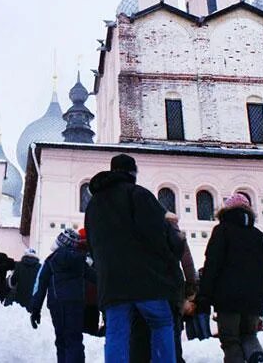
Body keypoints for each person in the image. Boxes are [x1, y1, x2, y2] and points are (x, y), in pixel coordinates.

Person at [84, 154, 182, 363]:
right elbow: (159, 235)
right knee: (162, 323)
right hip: (149, 281)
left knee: (116, 333)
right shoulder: (139, 195)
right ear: (132, 172)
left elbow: (92, 246)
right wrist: (174, 251)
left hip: (112, 284)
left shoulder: (93, 206)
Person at [196, 193, 263, 363]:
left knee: (230, 340)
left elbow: (213, 264)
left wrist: (204, 296)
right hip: (254, 300)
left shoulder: (222, 230)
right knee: (249, 335)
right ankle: (256, 355)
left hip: (228, 300)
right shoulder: (258, 235)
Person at [131, 212, 196, 363]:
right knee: (174, 325)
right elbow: (187, 262)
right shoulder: (178, 237)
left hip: (151, 285)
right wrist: (191, 285)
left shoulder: (149, 233)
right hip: (174, 286)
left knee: (148, 325)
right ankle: (175, 357)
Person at [29, 229, 97, 363]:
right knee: (75, 339)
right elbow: (96, 278)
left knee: (61, 339)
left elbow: (41, 285)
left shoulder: (51, 260)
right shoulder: (80, 261)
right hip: (75, 304)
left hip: (56, 304)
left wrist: (35, 309)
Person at [184, 268, 211, 341]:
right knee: (201, 334)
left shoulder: (197, 282)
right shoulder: (198, 281)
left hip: (198, 310)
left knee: (201, 334)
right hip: (196, 311)